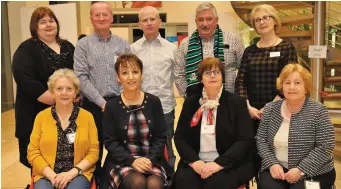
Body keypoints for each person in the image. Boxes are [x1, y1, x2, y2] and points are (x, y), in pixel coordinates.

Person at [234, 4, 298, 178]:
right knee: (254, 153)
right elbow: (240, 81)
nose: (261, 22)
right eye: (257, 20)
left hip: (280, 111)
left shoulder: (286, 48)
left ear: (274, 20)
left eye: (265, 17)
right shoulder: (250, 51)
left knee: (278, 153)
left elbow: (291, 81)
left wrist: (271, 106)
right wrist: (247, 106)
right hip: (253, 113)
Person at [12, 6, 74, 178]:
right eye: (42, 22)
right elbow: (22, 76)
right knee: (38, 159)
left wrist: (69, 96)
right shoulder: (27, 48)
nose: (48, 25)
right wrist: (49, 97)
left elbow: (78, 74)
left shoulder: (68, 46)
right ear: (35, 27)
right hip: (34, 110)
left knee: (67, 156)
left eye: (51, 20)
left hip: (65, 111)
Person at [174, 57, 254, 189]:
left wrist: (218, 164)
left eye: (216, 72)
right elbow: (180, 138)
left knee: (214, 184)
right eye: (207, 73)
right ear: (201, 79)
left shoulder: (237, 103)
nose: (212, 76)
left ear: (222, 77)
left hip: (228, 163)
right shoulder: (191, 103)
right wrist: (195, 162)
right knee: (185, 182)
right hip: (197, 162)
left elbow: (245, 140)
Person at [73, 1, 131, 183]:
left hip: (120, 104)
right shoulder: (83, 45)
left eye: (105, 14)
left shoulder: (123, 44)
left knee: (121, 147)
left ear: (111, 17)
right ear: (91, 19)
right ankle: (96, 183)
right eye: (96, 15)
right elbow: (81, 77)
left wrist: (119, 100)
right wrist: (101, 102)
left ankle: (118, 181)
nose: (101, 18)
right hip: (92, 106)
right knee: (94, 148)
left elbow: (129, 73)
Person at [256, 63, 335, 189]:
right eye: (287, 83)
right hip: (278, 169)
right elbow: (261, 140)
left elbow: (326, 146)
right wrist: (272, 164)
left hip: (316, 171)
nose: (291, 87)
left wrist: (301, 170)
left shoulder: (318, 111)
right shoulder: (270, 109)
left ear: (306, 87)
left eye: (297, 83)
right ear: (281, 86)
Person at [102, 54, 168, 189]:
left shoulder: (154, 102)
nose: (131, 77)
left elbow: (161, 136)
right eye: (125, 73)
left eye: (135, 72)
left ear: (141, 75)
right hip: (122, 162)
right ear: (118, 78)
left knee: (154, 184)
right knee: (137, 182)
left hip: (151, 160)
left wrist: (149, 160)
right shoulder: (111, 106)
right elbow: (110, 142)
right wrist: (132, 161)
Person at [27, 69, 99, 189]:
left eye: (69, 89)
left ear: (75, 92)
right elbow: (33, 152)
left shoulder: (87, 117)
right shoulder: (41, 117)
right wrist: (52, 176)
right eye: (59, 89)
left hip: (77, 174)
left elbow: (94, 152)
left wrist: (71, 173)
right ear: (52, 92)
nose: (64, 93)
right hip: (47, 174)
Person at [130, 6, 177, 177]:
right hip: (139, 108)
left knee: (167, 148)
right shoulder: (133, 50)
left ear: (160, 22)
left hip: (165, 108)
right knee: (141, 147)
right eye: (145, 20)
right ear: (139, 24)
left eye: (152, 19)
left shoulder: (171, 49)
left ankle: (170, 180)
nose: (149, 23)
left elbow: (178, 77)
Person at [174, 2, 244, 98]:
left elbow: (244, 72)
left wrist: (238, 98)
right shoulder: (184, 45)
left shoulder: (234, 40)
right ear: (196, 21)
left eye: (209, 19)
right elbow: (179, 75)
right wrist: (190, 99)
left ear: (216, 20)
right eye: (200, 20)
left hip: (229, 102)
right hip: (197, 104)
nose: (205, 24)